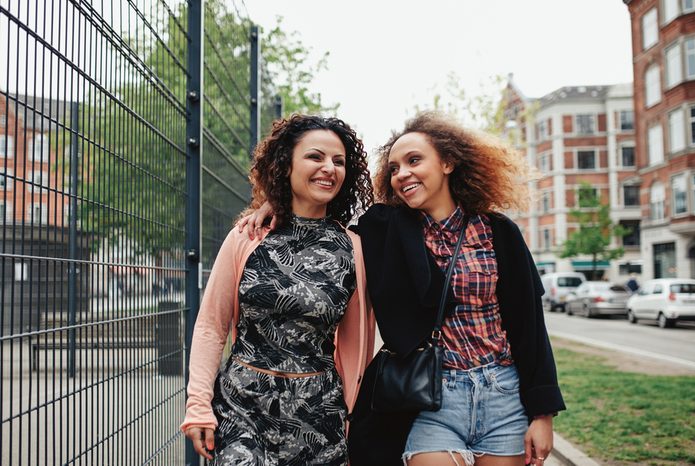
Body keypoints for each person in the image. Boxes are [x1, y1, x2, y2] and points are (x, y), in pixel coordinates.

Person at [240, 111, 566, 466]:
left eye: (414, 161)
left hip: (502, 393)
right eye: (394, 168)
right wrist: (280, 202)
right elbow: (321, 219)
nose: (402, 174)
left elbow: (529, 326)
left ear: (448, 163)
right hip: (429, 396)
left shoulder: (498, 232)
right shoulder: (383, 229)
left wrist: (542, 414)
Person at [181, 114, 376, 465]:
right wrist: (198, 407)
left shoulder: (354, 249)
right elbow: (211, 325)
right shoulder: (248, 235)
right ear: (286, 165)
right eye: (315, 157)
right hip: (242, 408)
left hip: (318, 417)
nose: (329, 168)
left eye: (339, 161)